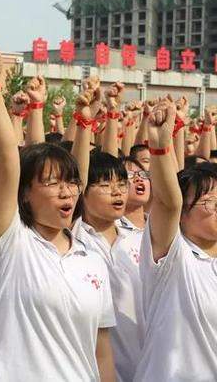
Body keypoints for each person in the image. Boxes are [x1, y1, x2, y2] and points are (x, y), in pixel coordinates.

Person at [0, 45, 115, 381]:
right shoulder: (10, 242)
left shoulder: (91, 258)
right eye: (52, 183)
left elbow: (102, 352)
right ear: (24, 193)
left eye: (71, 183)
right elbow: (8, 161)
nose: (66, 191)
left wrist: (85, 124)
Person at [134, 99, 217, 381]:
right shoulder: (173, 256)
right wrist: (160, 145)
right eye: (210, 201)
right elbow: (168, 203)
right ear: (184, 213)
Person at [74, 151, 142, 382]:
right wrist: (86, 123)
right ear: (82, 191)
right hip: (95, 369)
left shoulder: (141, 240)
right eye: (105, 185)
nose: (117, 192)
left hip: (143, 367)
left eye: (122, 184)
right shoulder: (73, 239)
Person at [121, 156, 150, 231]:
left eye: (143, 174)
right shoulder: (113, 228)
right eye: (129, 175)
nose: (138, 179)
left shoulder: (159, 225)